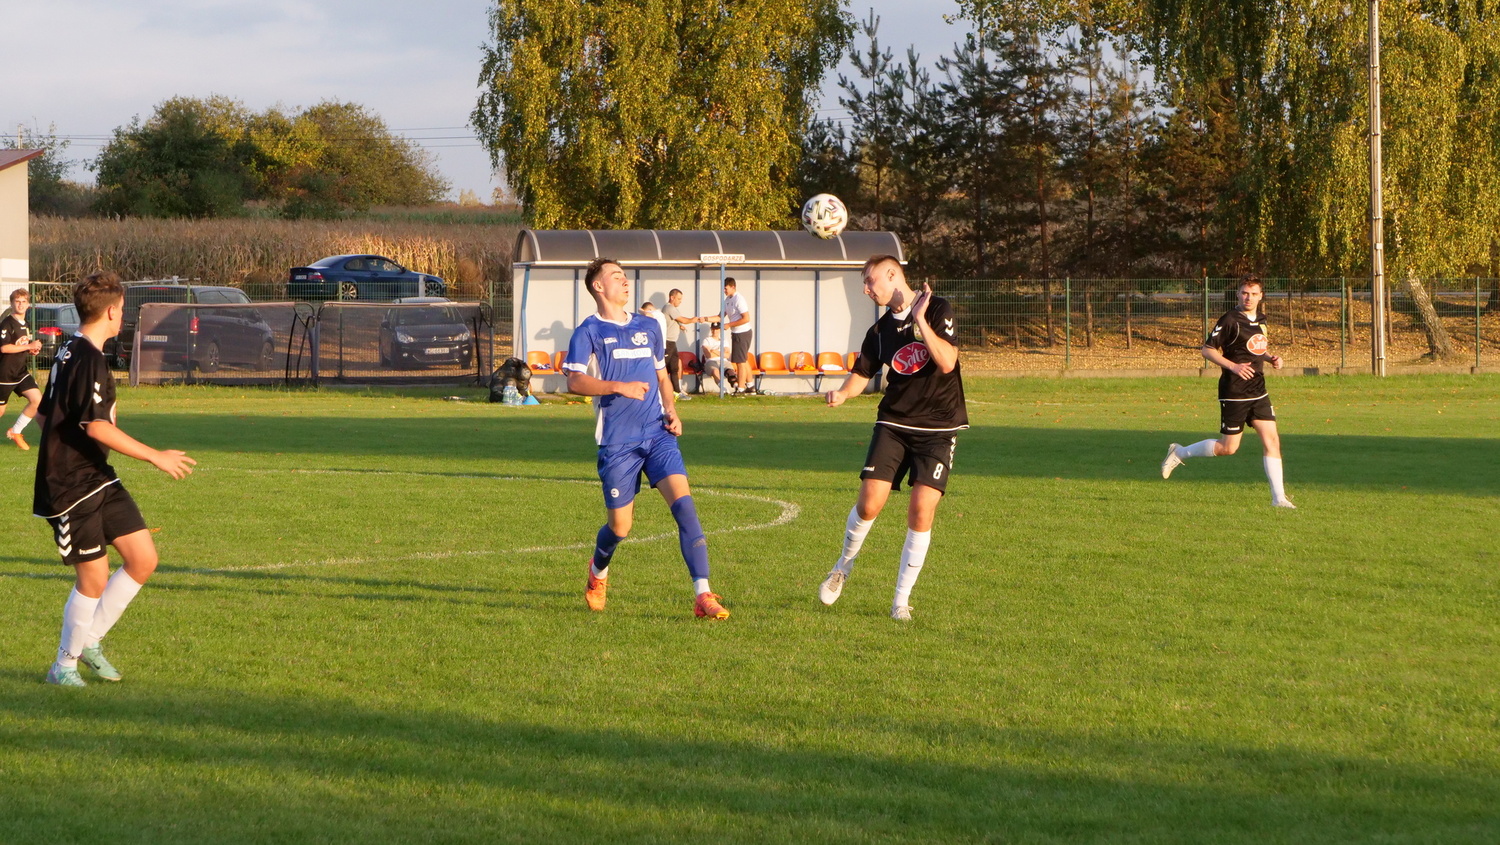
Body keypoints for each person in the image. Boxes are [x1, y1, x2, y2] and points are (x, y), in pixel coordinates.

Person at [35, 271, 197, 686]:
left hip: (97, 476)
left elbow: (44, 414)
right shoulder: (86, 357)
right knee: (93, 578)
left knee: (143, 559)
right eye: (122, 308)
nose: (123, 315)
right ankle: (63, 666)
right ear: (111, 312)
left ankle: (89, 640)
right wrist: (155, 456)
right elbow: (97, 427)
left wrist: (63, 440)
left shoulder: (72, 348)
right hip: (70, 488)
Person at [562, 257, 730, 620]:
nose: (625, 281)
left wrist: (671, 409)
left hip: (657, 434)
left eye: (625, 276)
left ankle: (703, 594)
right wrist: (617, 387)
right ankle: (598, 571)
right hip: (617, 443)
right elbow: (574, 380)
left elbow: (662, 376)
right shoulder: (588, 331)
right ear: (598, 286)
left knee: (685, 508)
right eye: (616, 276)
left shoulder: (649, 325)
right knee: (620, 527)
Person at [819, 256, 968, 621]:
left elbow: (947, 361)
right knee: (869, 504)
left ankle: (901, 601)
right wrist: (843, 393)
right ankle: (842, 566)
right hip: (894, 424)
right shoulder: (879, 331)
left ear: (892, 275)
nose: (866, 290)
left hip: (938, 428)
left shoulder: (938, 309)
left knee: (921, 510)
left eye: (870, 281)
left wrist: (920, 320)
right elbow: (862, 372)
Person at [1161, 276, 1294, 507]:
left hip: (1258, 390)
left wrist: (1270, 357)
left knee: (1272, 441)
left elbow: (1255, 347)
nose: (1248, 298)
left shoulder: (1261, 319)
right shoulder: (1230, 319)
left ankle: (1279, 499)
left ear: (1261, 296)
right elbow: (1207, 350)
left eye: (1253, 294)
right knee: (1228, 448)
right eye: (1244, 293)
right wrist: (1233, 366)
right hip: (1234, 391)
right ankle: (1180, 453)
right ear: (1238, 294)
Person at [1, 288, 45, 450]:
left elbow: (21, 346)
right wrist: (28, 346)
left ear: (28, 305)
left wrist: (31, 350)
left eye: (23, 302)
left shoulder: (25, 324)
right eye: (17, 301)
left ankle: (15, 431)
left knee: (37, 400)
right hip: (4, 374)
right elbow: (4, 348)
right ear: (12, 304)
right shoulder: (7, 323)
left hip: (20, 372)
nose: (20, 305)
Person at [703, 278, 755, 394]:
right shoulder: (727, 300)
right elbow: (720, 317)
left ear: (733, 287)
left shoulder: (739, 299)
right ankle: (750, 385)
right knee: (743, 359)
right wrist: (705, 319)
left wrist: (729, 325)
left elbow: (746, 318)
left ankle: (741, 388)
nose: (724, 291)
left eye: (726, 288)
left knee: (740, 362)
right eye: (723, 288)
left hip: (743, 332)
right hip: (736, 332)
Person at [662, 289, 695, 399]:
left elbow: (673, 321)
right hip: (667, 343)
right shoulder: (669, 308)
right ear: (672, 297)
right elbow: (683, 319)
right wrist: (693, 320)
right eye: (679, 299)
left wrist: (679, 326)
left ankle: (677, 392)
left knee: (674, 368)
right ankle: (658, 392)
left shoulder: (672, 309)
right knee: (662, 369)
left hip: (672, 343)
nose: (680, 301)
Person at [698, 325, 727, 392]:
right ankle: (722, 388)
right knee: (715, 371)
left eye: (716, 329)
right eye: (713, 329)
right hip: (711, 361)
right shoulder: (707, 340)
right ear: (711, 329)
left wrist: (714, 351)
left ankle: (737, 387)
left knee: (730, 372)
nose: (714, 331)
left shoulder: (724, 340)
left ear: (720, 330)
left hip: (724, 361)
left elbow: (727, 355)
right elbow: (708, 355)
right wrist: (721, 353)